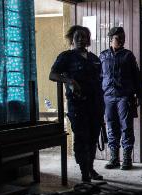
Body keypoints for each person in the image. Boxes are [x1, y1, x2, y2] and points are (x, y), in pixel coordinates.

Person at [49, 25, 104, 182]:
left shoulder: (94, 59)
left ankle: (90, 168)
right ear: (72, 39)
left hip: (95, 105)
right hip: (78, 106)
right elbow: (52, 75)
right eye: (77, 36)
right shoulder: (66, 57)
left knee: (93, 138)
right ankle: (84, 173)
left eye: (84, 36)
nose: (81, 39)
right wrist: (70, 80)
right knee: (82, 138)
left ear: (88, 39)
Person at [100, 27, 141, 170]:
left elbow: (137, 77)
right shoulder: (103, 56)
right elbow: (99, 78)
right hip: (108, 97)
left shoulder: (128, 56)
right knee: (111, 127)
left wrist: (139, 96)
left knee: (126, 128)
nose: (122, 41)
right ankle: (114, 159)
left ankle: (127, 160)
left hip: (124, 96)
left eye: (123, 38)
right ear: (111, 39)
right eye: (118, 38)